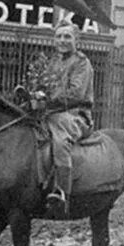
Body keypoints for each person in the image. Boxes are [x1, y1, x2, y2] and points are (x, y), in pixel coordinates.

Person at [35, 22, 94, 215]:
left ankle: (62, 193)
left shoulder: (81, 63)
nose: (62, 41)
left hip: (75, 115)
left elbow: (76, 94)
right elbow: (44, 86)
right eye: (59, 36)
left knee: (60, 141)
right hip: (51, 113)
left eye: (67, 37)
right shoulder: (52, 62)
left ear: (77, 40)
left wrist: (47, 101)